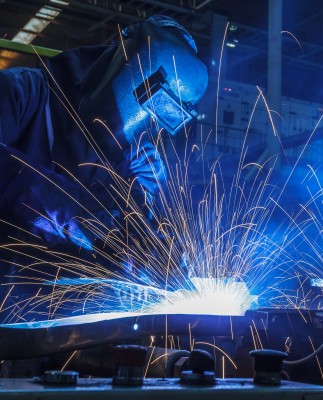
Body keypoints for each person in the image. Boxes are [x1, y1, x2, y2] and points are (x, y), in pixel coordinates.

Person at [0, 15, 208, 320]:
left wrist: (157, 248)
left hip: (58, 326)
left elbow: (139, 225)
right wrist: (95, 224)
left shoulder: (140, 162)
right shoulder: (21, 93)